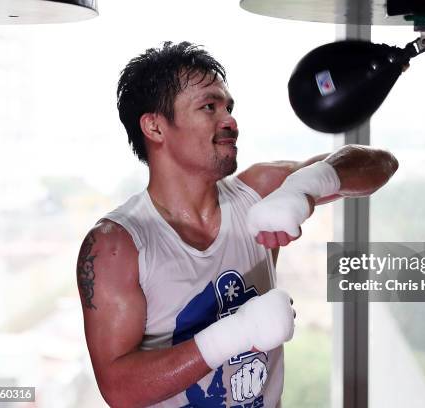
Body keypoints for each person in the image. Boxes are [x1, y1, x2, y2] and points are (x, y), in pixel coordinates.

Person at [76, 41, 398, 408]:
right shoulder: (117, 244)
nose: (230, 120)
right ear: (155, 126)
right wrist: (237, 333)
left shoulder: (258, 192)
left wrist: (306, 187)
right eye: (209, 107)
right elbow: (119, 388)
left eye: (229, 107)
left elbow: (380, 163)